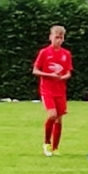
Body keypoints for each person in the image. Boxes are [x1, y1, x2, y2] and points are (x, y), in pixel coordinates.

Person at [33, 26, 73, 156]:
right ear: (50, 37)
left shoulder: (66, 54)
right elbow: (35, 70)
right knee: (52, 115)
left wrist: (64, 77)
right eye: (56, 37)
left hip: (60, 90)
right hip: (47, 90)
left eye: (61, 38)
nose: (58, 40)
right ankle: (46, 143)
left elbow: (68, 72)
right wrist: (49, 75)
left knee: (59, 119)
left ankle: (55, 147)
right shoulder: (44, 52)